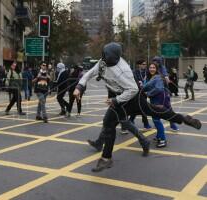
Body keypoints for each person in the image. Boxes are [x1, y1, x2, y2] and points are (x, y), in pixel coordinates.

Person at [74, 42, 201, 172]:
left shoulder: (123, 71)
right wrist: (79, 87)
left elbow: (133, 90)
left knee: (155, 111)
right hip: (121, 98)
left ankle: (183, 119)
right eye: (103, 55)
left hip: (133, 98)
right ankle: (106, 159)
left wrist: (116, 100)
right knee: (109, 123)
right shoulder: (103, 62)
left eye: (106, 56)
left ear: (112, 57)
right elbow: (89, 73)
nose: (103, 58)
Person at [142, 63, 179, 148]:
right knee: (157, 119)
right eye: (150, 67)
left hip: (158, 101)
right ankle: (159, 136)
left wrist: (148, 94)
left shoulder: (158, 77)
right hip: (156, 100)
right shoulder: (150, 77)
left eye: (153, 67)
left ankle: (162, 139)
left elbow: (159, 88)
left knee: (156, 120)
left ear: (157, 69)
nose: (151, 69)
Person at [128, 59, 152, 131]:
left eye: (145, 64)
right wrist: (139, 83)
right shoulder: (134, 72)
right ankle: (146, 124)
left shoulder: (147, 72)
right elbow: (133, 81)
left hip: (144, 93)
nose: (145, 66)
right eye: (143, 64)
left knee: (138, 108)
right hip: (137, 92)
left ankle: (131, 120)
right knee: (142, 108)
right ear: (139, 65)